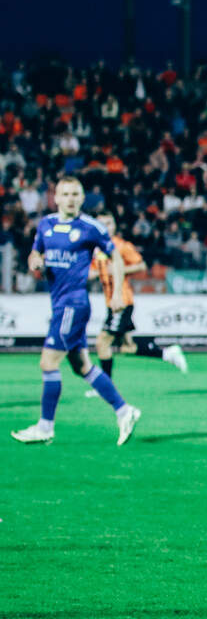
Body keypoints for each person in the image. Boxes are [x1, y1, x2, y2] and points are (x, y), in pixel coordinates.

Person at [11, 177, 142, 446]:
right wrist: (35, 261)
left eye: (75, 194)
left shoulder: (91, 227)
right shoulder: (46, 224)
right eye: (66, 194)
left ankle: (45, 427)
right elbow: (35, 253)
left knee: (48, 363)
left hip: (74, 304)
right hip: (59, 303)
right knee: (82, 366)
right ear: (56, 198)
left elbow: (116, 257)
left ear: (82, 198)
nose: (70, 199)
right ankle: (124, 410)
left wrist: (117, 293)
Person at [85, 212, 188, 396]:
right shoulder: (97, 248)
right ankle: (167, 354)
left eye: (109, 223)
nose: (106, 227)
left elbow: (141, 266)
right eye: (102, 223)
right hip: (111, 303)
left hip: (122, 301)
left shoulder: (122, 246)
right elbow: (92, 272)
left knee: (102, 343)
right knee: (127, 347)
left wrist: (119, 268)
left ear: (115, 225)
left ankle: (104, 388)